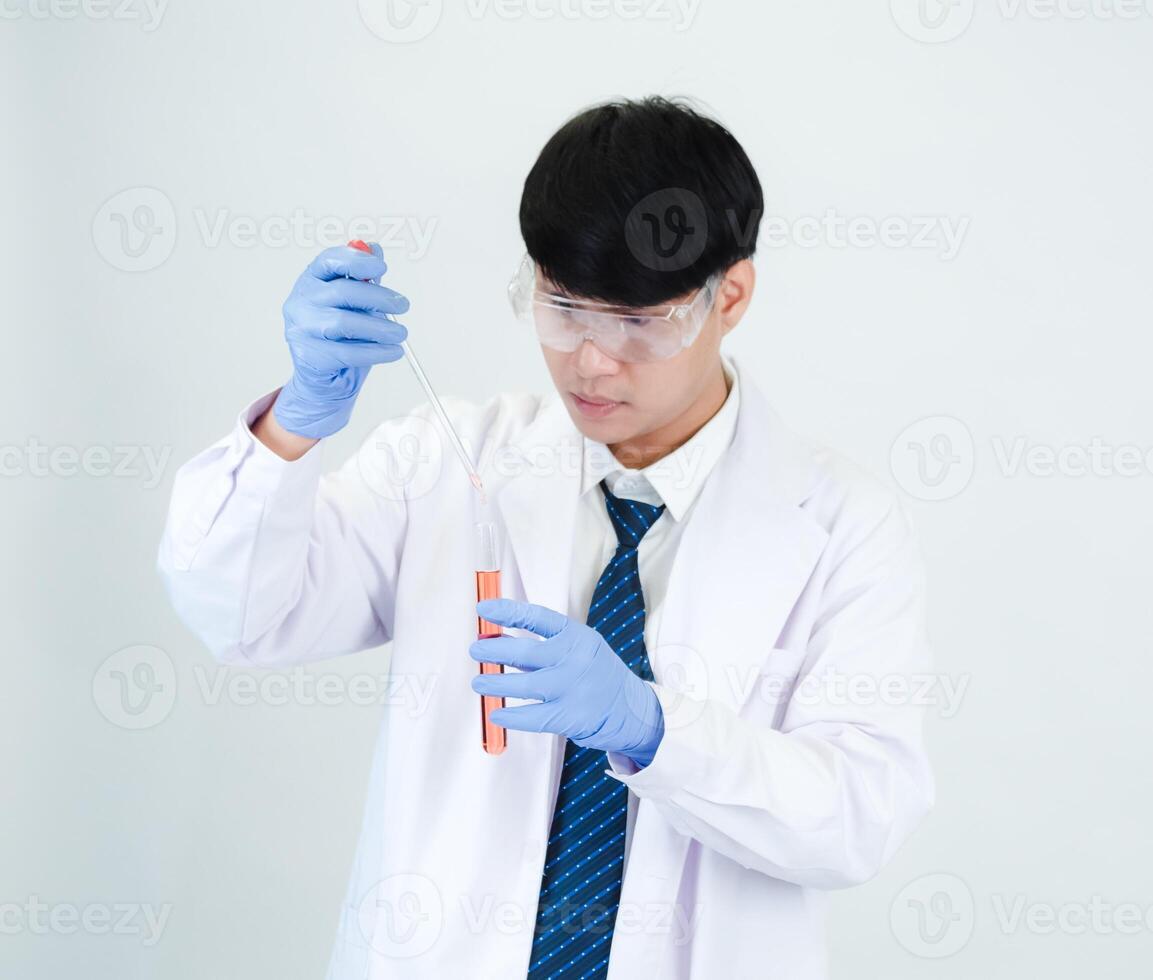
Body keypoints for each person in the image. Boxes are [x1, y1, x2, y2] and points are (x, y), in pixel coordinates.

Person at [157, 95, 934, 980]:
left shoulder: (844, 525)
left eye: (638, 323)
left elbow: (857, 819)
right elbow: (242, 613)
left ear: (733, 295)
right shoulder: (446, 462)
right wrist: (294, 425)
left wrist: (650, 728)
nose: (590, 361)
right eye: (562, 306)